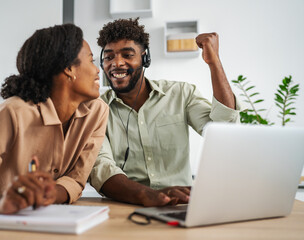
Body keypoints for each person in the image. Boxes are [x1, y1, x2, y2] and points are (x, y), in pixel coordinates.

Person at [0, 24, 109, 217]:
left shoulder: (97, 111)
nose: (98, 70)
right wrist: (1, 203)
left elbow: (76, 179)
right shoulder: (14, 112)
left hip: (45, 216)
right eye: (91, 60)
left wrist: (47, 194)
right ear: (69, 69)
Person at [89, 18, 241, 207]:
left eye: (127, 55)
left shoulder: (181, 94)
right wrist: (149, 195)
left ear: (145, 58)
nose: (117, 63)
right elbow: (101, 168)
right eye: (109, 57)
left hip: (181, 203)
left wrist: (214, 63)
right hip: (125, 207)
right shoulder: (95, 111)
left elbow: (224, 129)